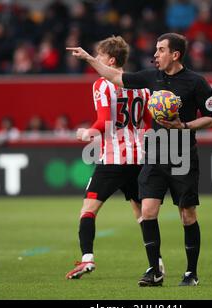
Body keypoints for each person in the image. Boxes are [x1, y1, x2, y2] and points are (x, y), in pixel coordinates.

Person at [67, 32, 212, 287]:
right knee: (147, 211)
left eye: (160, 50)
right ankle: (154, 270)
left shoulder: (196, 82)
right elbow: (114, 75)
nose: (155, 54)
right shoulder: (150, 78)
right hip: (153, 153)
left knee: (187, 215)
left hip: (181, 153)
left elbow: (211, 118)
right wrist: (90, 59)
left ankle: (191, 273)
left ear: (175, 54)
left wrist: (185, 125)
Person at [65, 36, 165, 279]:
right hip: (139, 158)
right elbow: (148, 124)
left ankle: (87, 259)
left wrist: (88, 131)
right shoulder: (142, 86)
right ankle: (157, 263)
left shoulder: (102, 84)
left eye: (99, 57)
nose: (97, 60)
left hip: (112, 159)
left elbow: (104, 121)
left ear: (110, 60)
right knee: (142, 213)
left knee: (88, 210)